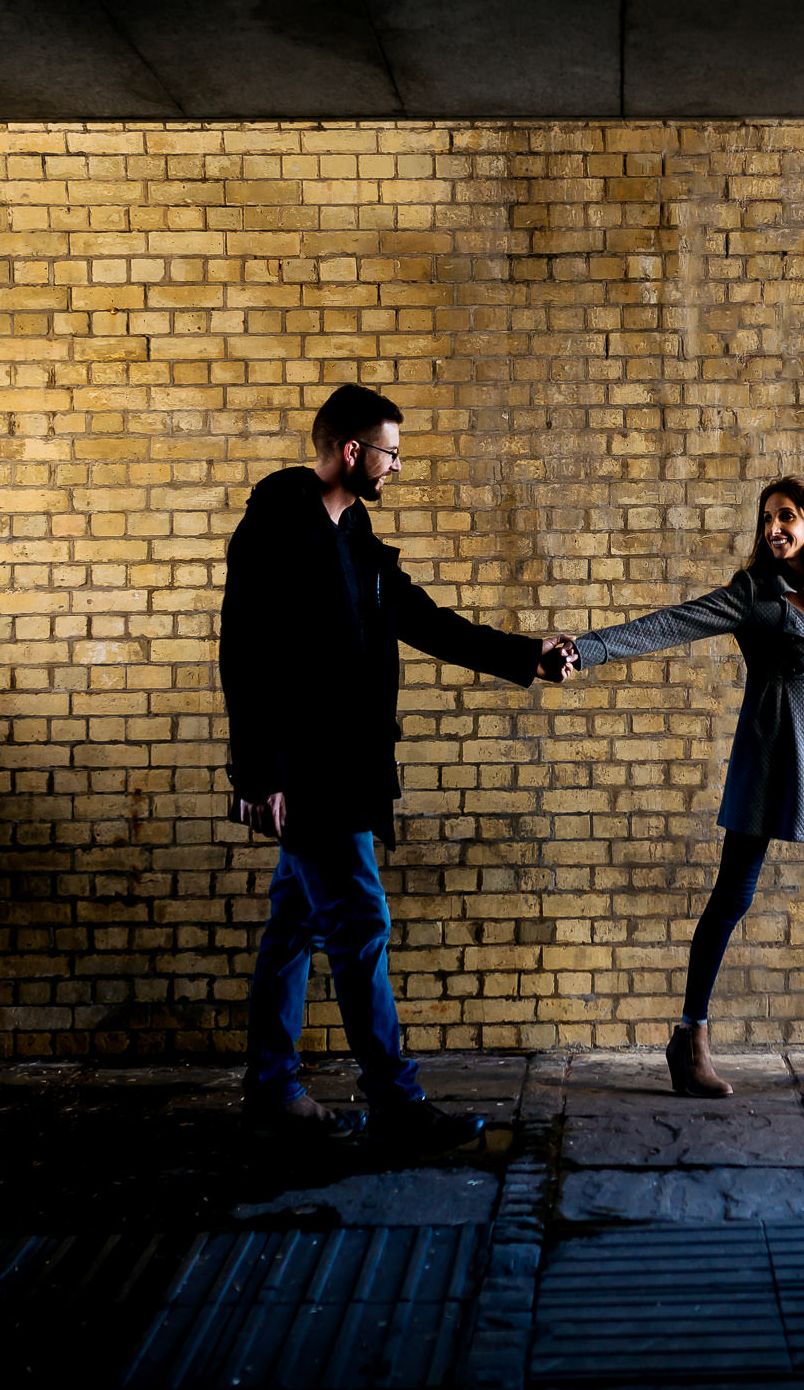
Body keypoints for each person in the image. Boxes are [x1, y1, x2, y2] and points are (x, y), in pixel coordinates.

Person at [220, 384, 574, 1154]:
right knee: (360, 922)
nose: (396, 467)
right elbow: (244, 654)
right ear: (352, 451)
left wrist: (528, 655)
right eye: (390, 452)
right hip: (307, 776)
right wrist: (257, 775)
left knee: (293, 928)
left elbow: (428, 622)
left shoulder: (358, 543)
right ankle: (396, 1102)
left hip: (346, 771)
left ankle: (272, 1093)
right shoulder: (275, 527)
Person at [560, 476, 804, 1096]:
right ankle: (690, 1038)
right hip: (769, 757)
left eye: (786, 517)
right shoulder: (754, 593)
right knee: (733, 895)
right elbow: (670, 624)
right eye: (766, 519)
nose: (773, 529)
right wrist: (587, 650)